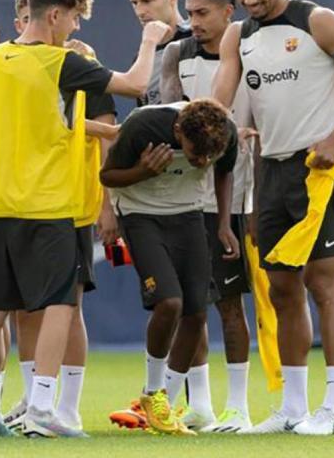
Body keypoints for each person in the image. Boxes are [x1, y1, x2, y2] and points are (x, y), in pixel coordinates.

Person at [0, 0, 167, 438]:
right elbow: (137, 83)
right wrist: (150, 39)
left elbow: (61, 121)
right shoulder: (59, 63)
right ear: (54, 14)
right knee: (60, 305)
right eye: (74, 19)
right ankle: (41, 412)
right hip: (47, 206)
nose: (75, 29)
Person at [213, 0, 334, 436]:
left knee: (323, 284)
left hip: (319, 168)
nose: (250, 0)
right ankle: (292, 407)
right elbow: (220, 100)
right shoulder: (237, 36)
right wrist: (204, 124)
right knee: (282, 288)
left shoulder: (318, 21)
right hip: (269, 171)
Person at [101, 98, 240, 436]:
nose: (202, 161)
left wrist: (223, 223)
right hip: (140, 214)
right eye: (196, 154)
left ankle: (164, 405)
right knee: (170, 302)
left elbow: (223, 172)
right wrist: (142, 171)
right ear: (178, 130)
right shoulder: (142, 125)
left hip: (189, 213)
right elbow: (107, 175)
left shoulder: (225, 131)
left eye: (209, 155)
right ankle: (152, 393)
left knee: (196, 312)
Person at [158, 0, 255, 432]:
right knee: (193, 304)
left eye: (202, 13)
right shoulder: (178, 54)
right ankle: (201, 406)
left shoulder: (252, 51)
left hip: (236, 199)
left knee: (230, 303)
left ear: (227, 12)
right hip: (185, 200)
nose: (193, 22)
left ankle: (240, 406)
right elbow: (171, 116)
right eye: (190, 13)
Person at [126, 0, 192, 105]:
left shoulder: (200, 39)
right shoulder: (143, 58)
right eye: (134, 3)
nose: (140, 12)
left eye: (147, 1)